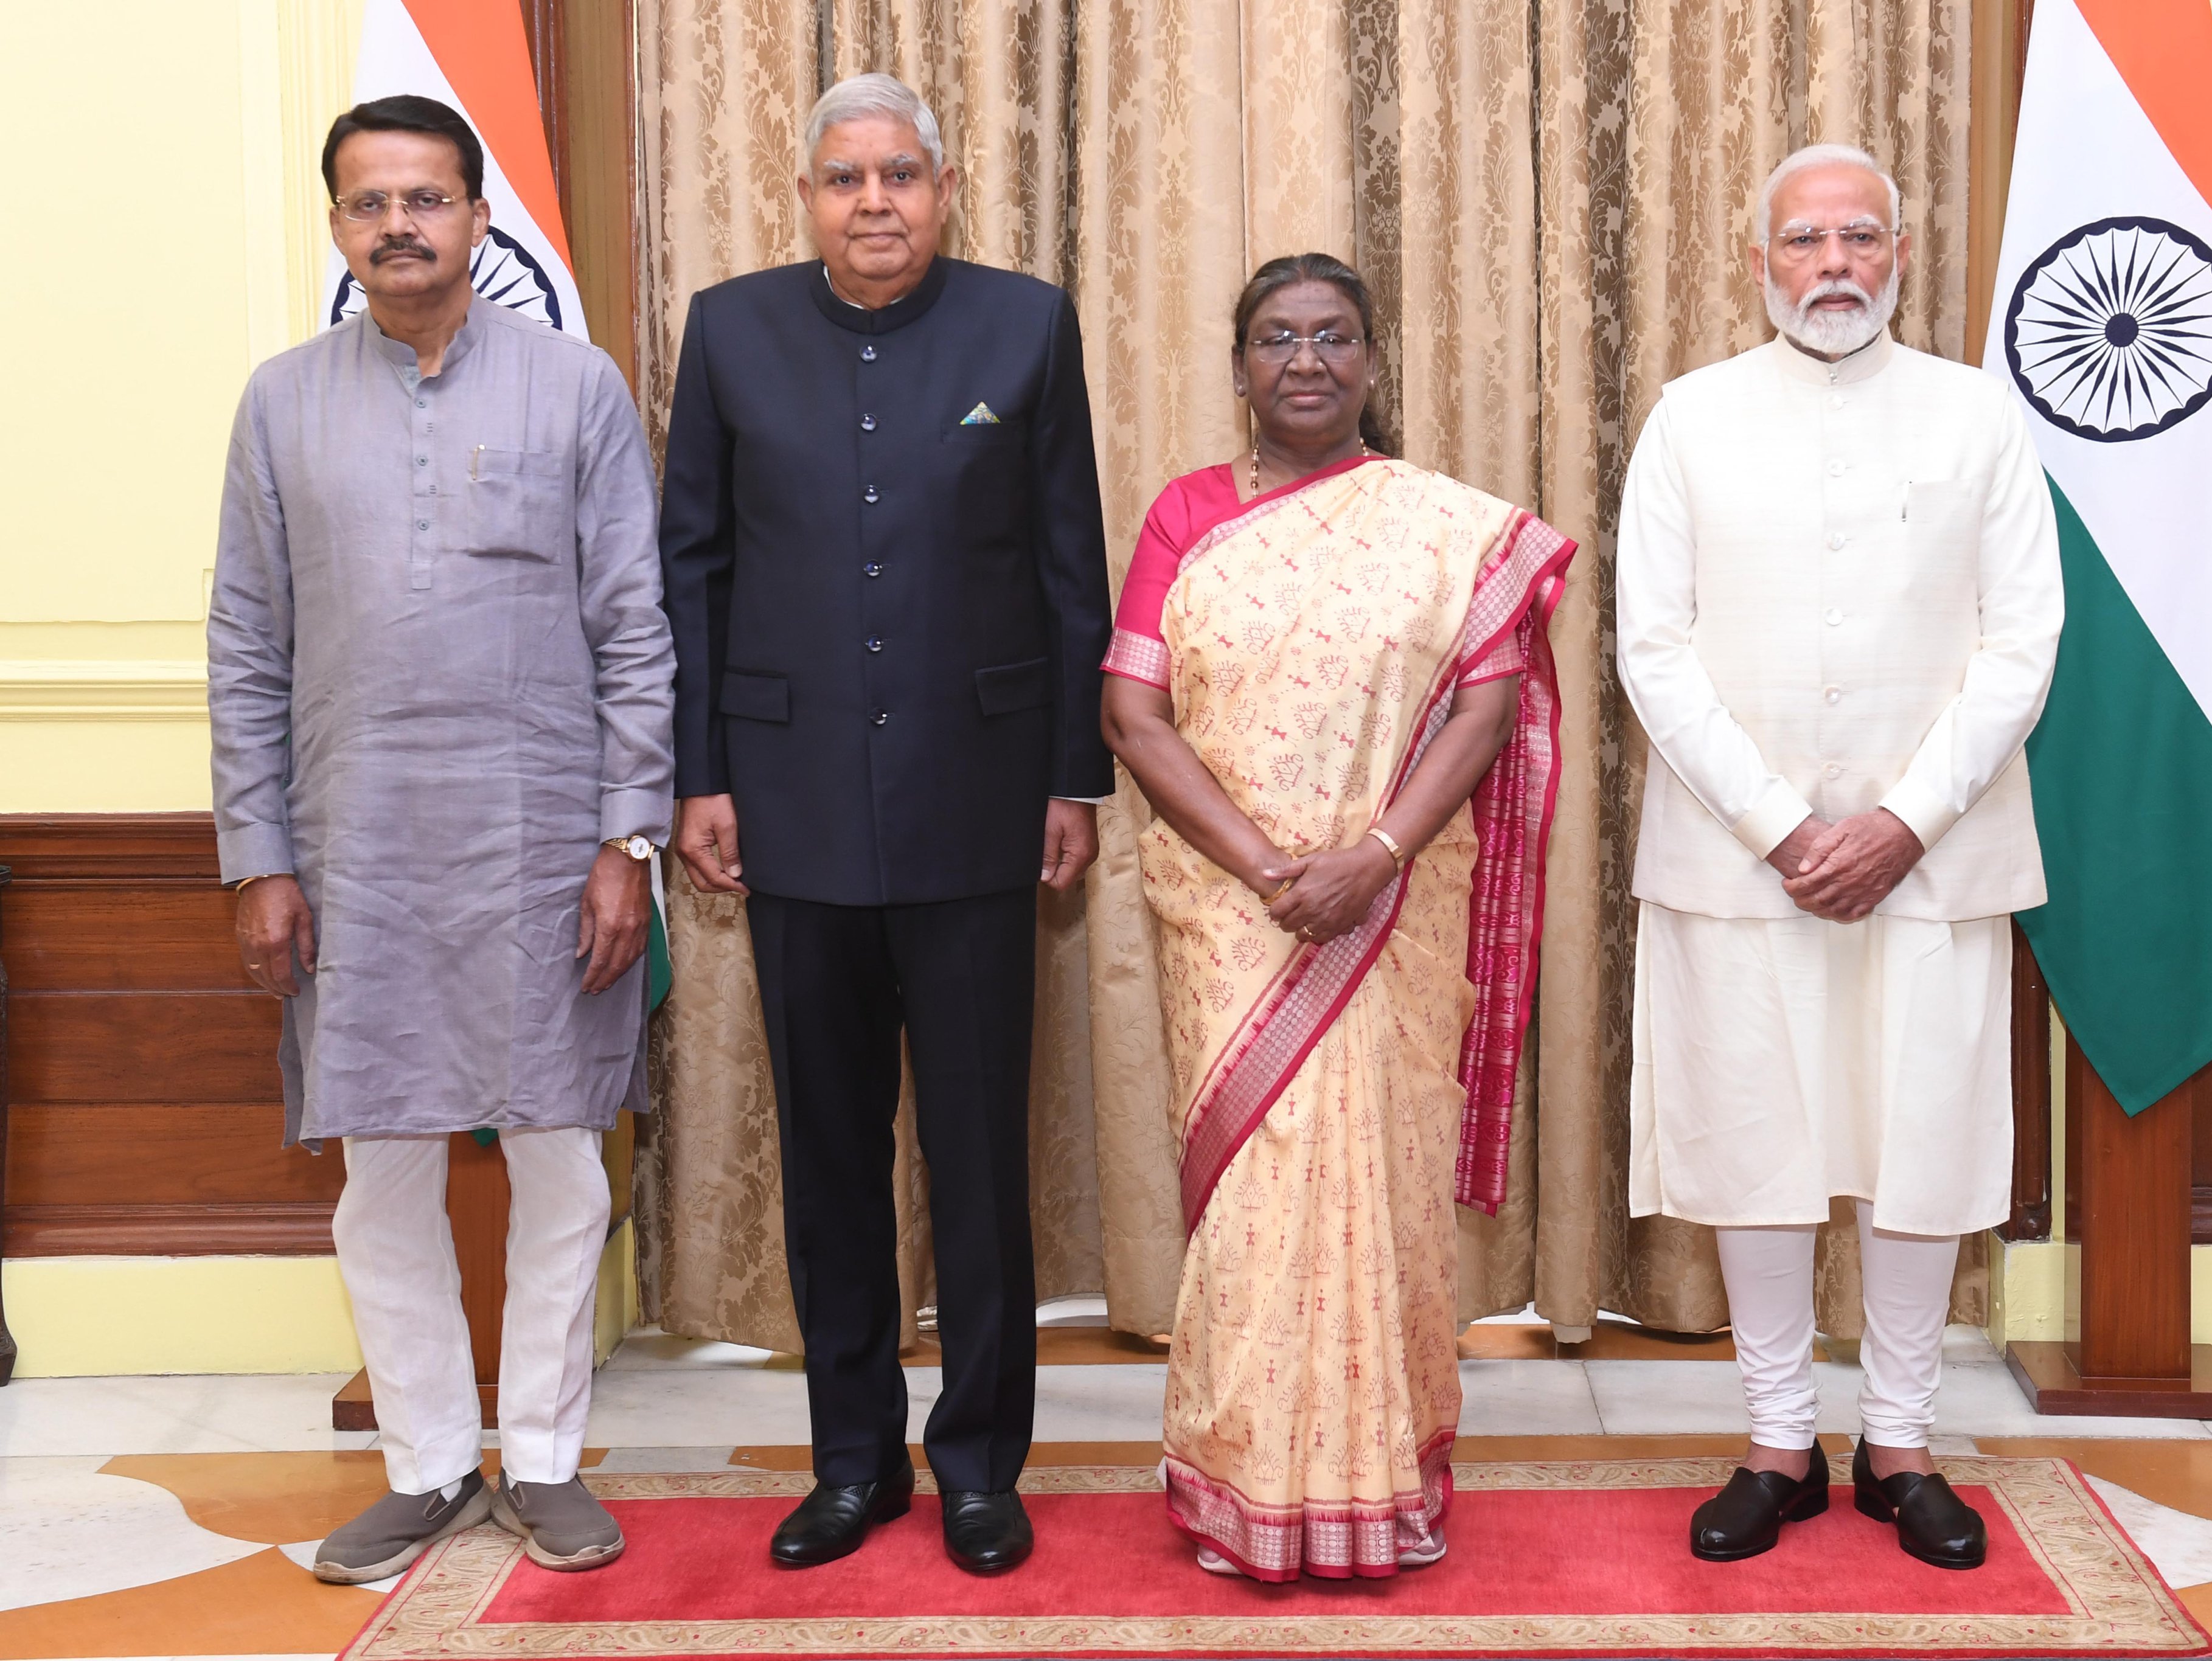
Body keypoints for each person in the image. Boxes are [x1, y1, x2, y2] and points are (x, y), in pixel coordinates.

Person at [209, 95, 672, 1583]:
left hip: (542, 843)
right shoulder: (281, 401)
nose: (398, 224)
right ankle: (422, 1462)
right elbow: (243, 645)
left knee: (559, 1152)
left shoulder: (576, 386)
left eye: (427, 198)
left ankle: (541, 1455)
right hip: (355, 852)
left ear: (480, 219)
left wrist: (629, 841)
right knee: (384, 1167)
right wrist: (259, 856)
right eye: (369, 202)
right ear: (337, 227)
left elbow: (634, 631)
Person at [657, 73, 1113, 1576]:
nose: (874, 202)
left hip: (980, 813)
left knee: (979, 1166)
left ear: (945, 186)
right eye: (845, 178)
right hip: (787, 819)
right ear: (806, 197)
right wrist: (699, 774)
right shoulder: (729, 331)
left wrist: (1073, 777)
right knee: (830, 1162)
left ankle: (980, 1464)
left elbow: (1067, 570)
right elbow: (694, 571)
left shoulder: (1023, 325)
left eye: (901, 175)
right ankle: (851, 1463)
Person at [1615, 143, 2062, 1570]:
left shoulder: (1978, 418)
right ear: (1758, 264)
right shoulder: (1688, 420)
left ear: (1898, 256)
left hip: (1932, 860)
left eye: (1856, 238)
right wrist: (1786, 829)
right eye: (1802, 241)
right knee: (1758, 1147)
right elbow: (1652, 648)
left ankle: (1901, 1443)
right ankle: (1772, 1442)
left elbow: (2020, 644)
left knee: (1913, 1145)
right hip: (1737, 861)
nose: (1830, 265)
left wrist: (1898, 821)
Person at [1103, 254, 1574, 1581]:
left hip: (1388, 909)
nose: (1303, 360)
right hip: (1234, 915)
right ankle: (1242, 1489)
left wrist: (1372, 855)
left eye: (1332, 336)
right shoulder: (1182, 516)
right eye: (1274, 337)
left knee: (1379, 1193)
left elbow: (1483, 705)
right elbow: (1132, 714)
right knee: (1256, 1204)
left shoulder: (1441, 525)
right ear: (1239, 363)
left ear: (1372, 359)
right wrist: (1267, 866)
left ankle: (1378, 1489)